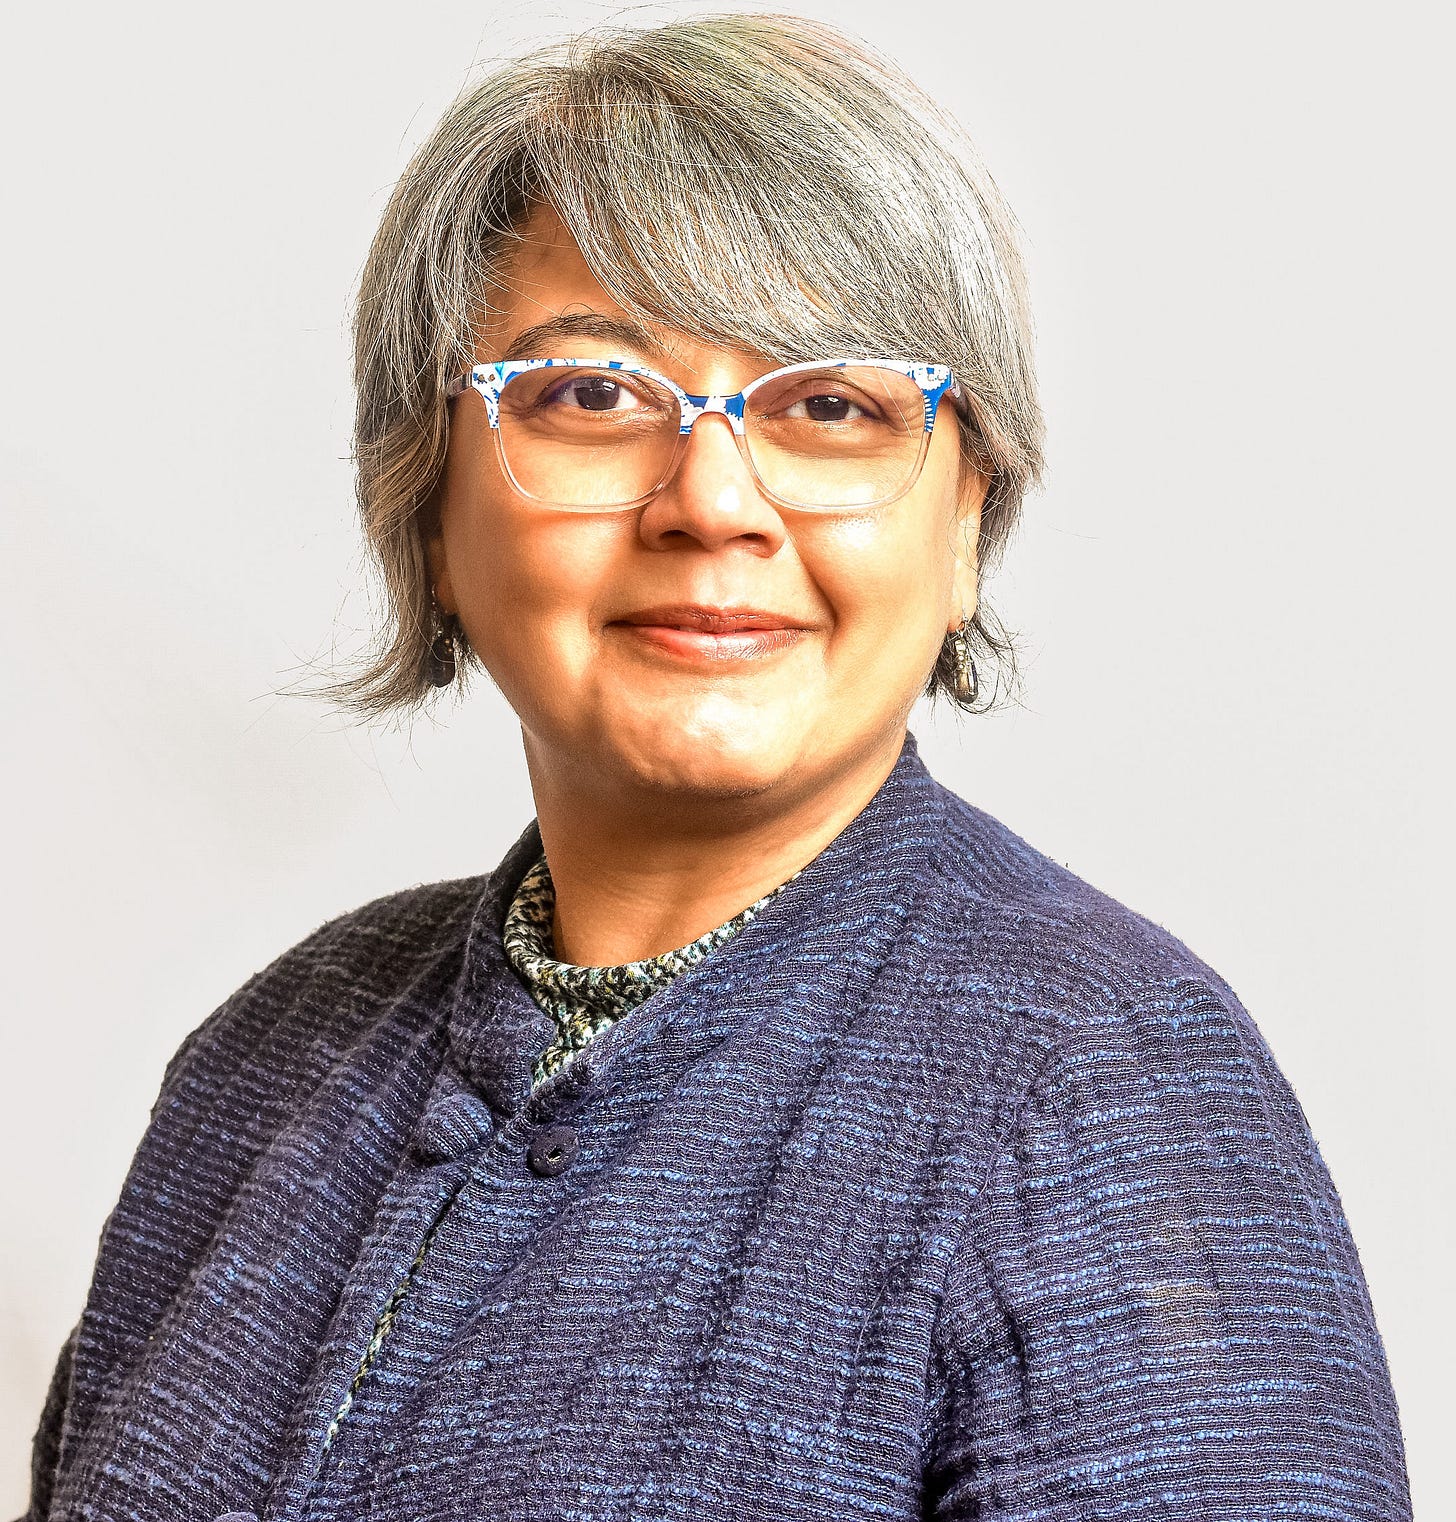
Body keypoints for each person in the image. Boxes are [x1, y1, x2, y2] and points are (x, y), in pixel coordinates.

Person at [22, 12, 1411, 1521]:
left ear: (962, 523)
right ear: (423, 501)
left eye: (831, 405)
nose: (714, 500)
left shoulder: (1104, 1091)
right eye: (592, 395)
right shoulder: (273, 1053)